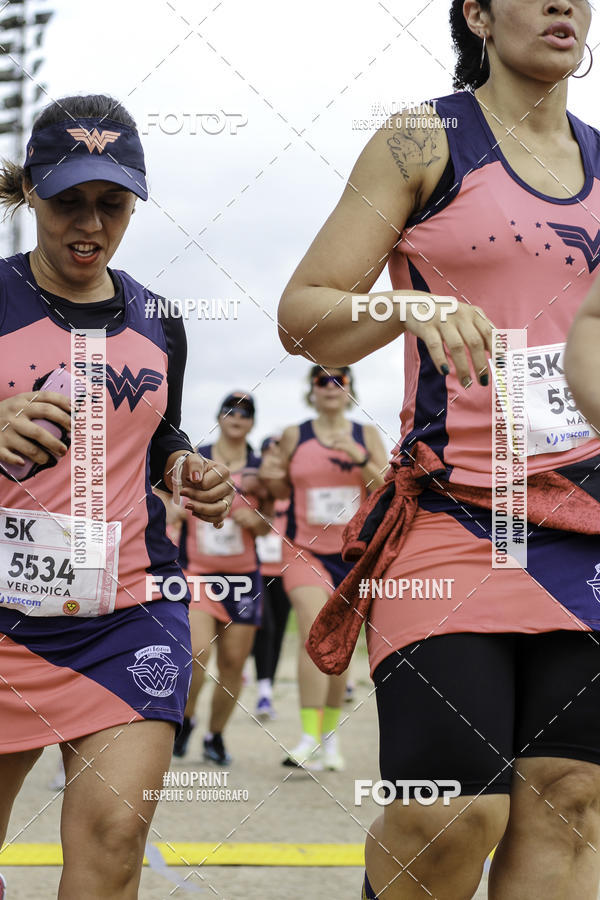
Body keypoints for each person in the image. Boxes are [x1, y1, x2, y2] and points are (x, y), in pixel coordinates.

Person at [278, 2, 600, 897]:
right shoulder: (425, 141)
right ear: (479, 15)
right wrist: (407, 305)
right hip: (453, 520)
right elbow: (303, 316)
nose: (565, 4)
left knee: (572, 800)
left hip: (587, 528)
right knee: (447, 811)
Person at [0, 94, 233, 900]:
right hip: (2, 620)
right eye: (68, 201)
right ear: (31, 192)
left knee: (114, 836)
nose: (89, 225)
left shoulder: (159, 319)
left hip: (125, 609)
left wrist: (188, 469)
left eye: (112, 204)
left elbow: (162, 433)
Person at [260, 366, 387, 771]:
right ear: (310, 390)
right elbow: (279, 490)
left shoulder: (364, 434)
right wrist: (271, 474)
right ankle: (308, 737)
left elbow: (386, 485)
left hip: (351, 555)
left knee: (339, 645)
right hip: (303, 550)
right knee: (316, 629)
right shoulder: (296, 434)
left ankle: (329, 740)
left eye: (340, 381)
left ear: (350, 389)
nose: (331, 387)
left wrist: (360, 459)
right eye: (321, 381)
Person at [175, 392, 273, 764]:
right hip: (196, 572)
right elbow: (163, 495)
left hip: (244, 577)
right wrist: (177, 511)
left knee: (233, 662)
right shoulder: (196, 458)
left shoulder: (260, 467)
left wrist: (258, 521)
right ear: (218, 417)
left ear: (252, 422)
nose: (237, 417)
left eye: (246, 412)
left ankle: (215, 736)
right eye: (230, 410)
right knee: (196, 651)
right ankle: (185, 720)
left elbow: (271, 522)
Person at [253, 436, 291, 719]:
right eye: (267, 451)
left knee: (277, 631)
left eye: (277, 452)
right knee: (263, 626)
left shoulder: (290, 487)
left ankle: (267, 690)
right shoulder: (253, 487)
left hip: (285, 570)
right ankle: (261, 687)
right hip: (256, 568)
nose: (271, 457)